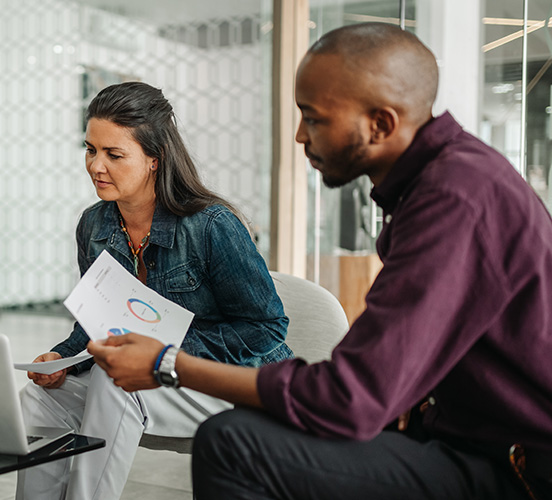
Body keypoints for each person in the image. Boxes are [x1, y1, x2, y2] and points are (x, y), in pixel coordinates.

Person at [88, 23, 552, 500]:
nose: (299, 135)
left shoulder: (456, 200)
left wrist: (169, 363)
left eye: (314, 118)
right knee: (254, 425)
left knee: (233, 444)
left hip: (513, 467)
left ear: (382, 124)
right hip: (451, 433)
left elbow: (349, 398)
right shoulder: (441, 184)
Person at [17, 81, 293, 500]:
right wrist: (62, 357)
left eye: (114, 154)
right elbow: (98, 321)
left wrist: (164, 353)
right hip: (159, 379)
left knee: (116, 383)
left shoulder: (212, 226)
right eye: (91, 149)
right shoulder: (93, 226)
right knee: (38, 402)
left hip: (231, 383)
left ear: (154, 160)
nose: (95, 166)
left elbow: (267, 329)